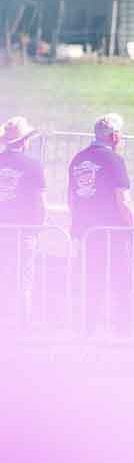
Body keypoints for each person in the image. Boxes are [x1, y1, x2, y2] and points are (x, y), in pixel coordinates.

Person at [68, 114, 134, 332]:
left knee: (91, 284)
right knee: (122, 283)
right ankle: (124, 330)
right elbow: (123, 201)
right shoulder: (115, 160)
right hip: (113, 233)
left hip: (87, 233)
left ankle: (88, 330)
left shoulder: (77, 159)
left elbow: (71, 199)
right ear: (114, 136)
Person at [0, 116, 46, 324]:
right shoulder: (33, 165)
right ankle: (19, 324)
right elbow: (41, 201)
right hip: (24, 230)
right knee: (23, 280)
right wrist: (41, 224)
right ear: (24, 141)